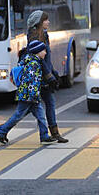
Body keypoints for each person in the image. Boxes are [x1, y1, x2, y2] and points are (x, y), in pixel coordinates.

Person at [0, 40, 58, 145]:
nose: (45, 53)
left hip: (30, 95)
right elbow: (31, 81)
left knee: (40, 116)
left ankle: (44, 136)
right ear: (37, 51)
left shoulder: (32, 61)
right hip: (29, 96)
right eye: (43, 51)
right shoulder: (34, 64)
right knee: (18, 115)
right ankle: (1, 131)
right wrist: (33, 95)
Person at [27, 10, 68, 143]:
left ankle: (52, 133)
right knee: (29, 108)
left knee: (42, 105)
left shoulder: (44, 34)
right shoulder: (34, 36)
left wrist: (54, 72)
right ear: (39, 22)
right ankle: (3, 130)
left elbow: (47, 58)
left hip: (45, 74)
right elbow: (40, 59)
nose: (48, 22)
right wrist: (49, 76)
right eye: (46, 20)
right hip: (40, 77)